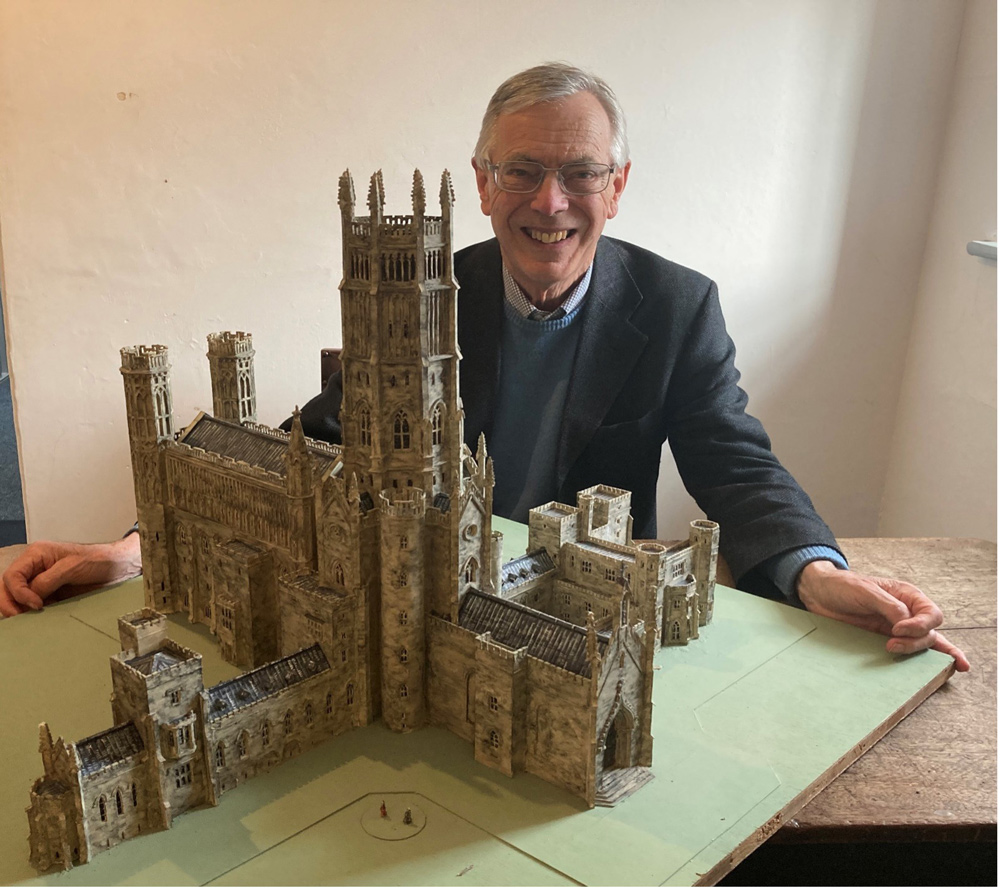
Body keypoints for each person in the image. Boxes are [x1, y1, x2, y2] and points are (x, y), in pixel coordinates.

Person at [0, 64, 970, 674]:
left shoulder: (678, 306)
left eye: (580, 172)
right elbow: (308, 440)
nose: (550, 202)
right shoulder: (423, 291)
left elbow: (733, 458)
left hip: (576, 611)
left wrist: (812, 570)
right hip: (426, 608)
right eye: (520, 171)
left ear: (617, 186)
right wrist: (139, 545)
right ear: (482, 183)